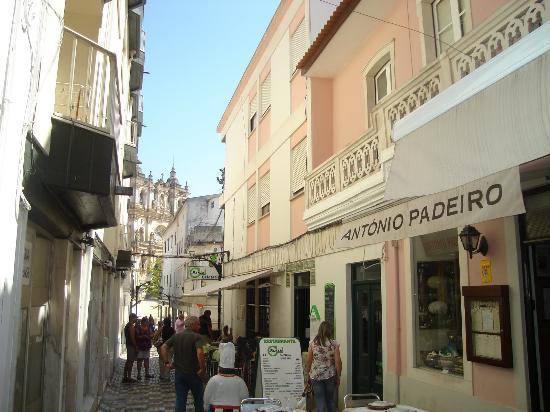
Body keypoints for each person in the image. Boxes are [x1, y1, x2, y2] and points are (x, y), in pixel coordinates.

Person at [160, 315, 206, 412]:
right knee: (198, 401)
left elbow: (163, 347)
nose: (199, 327)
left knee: (180, 401)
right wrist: (202, 368)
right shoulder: (197, 337)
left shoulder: (177, 336)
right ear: (192, 324)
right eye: (198, 324)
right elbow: (200, 352)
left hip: (180, 374)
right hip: (194, 374)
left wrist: (166, 362)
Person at [305, 321, 342, 412]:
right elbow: (338, 362)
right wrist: (338, 376)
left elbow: (309, 361)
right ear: (330, 331)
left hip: (316, 376)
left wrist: (307, 375)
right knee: (330, 401)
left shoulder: (313, 343)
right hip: (330, 376)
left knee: (319, 400)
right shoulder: (334, 344)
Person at [204, 342, 249, 410]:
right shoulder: (240, 381)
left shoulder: (213, 380)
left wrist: (206, 407)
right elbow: (245, 398)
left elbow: (206, 398)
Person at [158, 316, 175, 381]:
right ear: (170, 322)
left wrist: (155, 343)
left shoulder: (162, 329)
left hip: (162, 347)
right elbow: (174, 338)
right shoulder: (172, 329)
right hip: (170, 347)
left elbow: (155, 336)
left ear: (164, 322)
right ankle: (167, 376)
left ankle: (162, 375)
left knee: (161, 361)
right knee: (169, 361)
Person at [122, 313, 138, 383]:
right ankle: (129, 377)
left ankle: (125, 376)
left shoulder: (127, 325)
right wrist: (135, 346)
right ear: (132, 318)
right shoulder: (131, 326)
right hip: (131, 346)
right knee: (130, 362)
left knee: (128, 361)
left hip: (129, 345)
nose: (136, 319)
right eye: (135, 318)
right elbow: (132, 338)